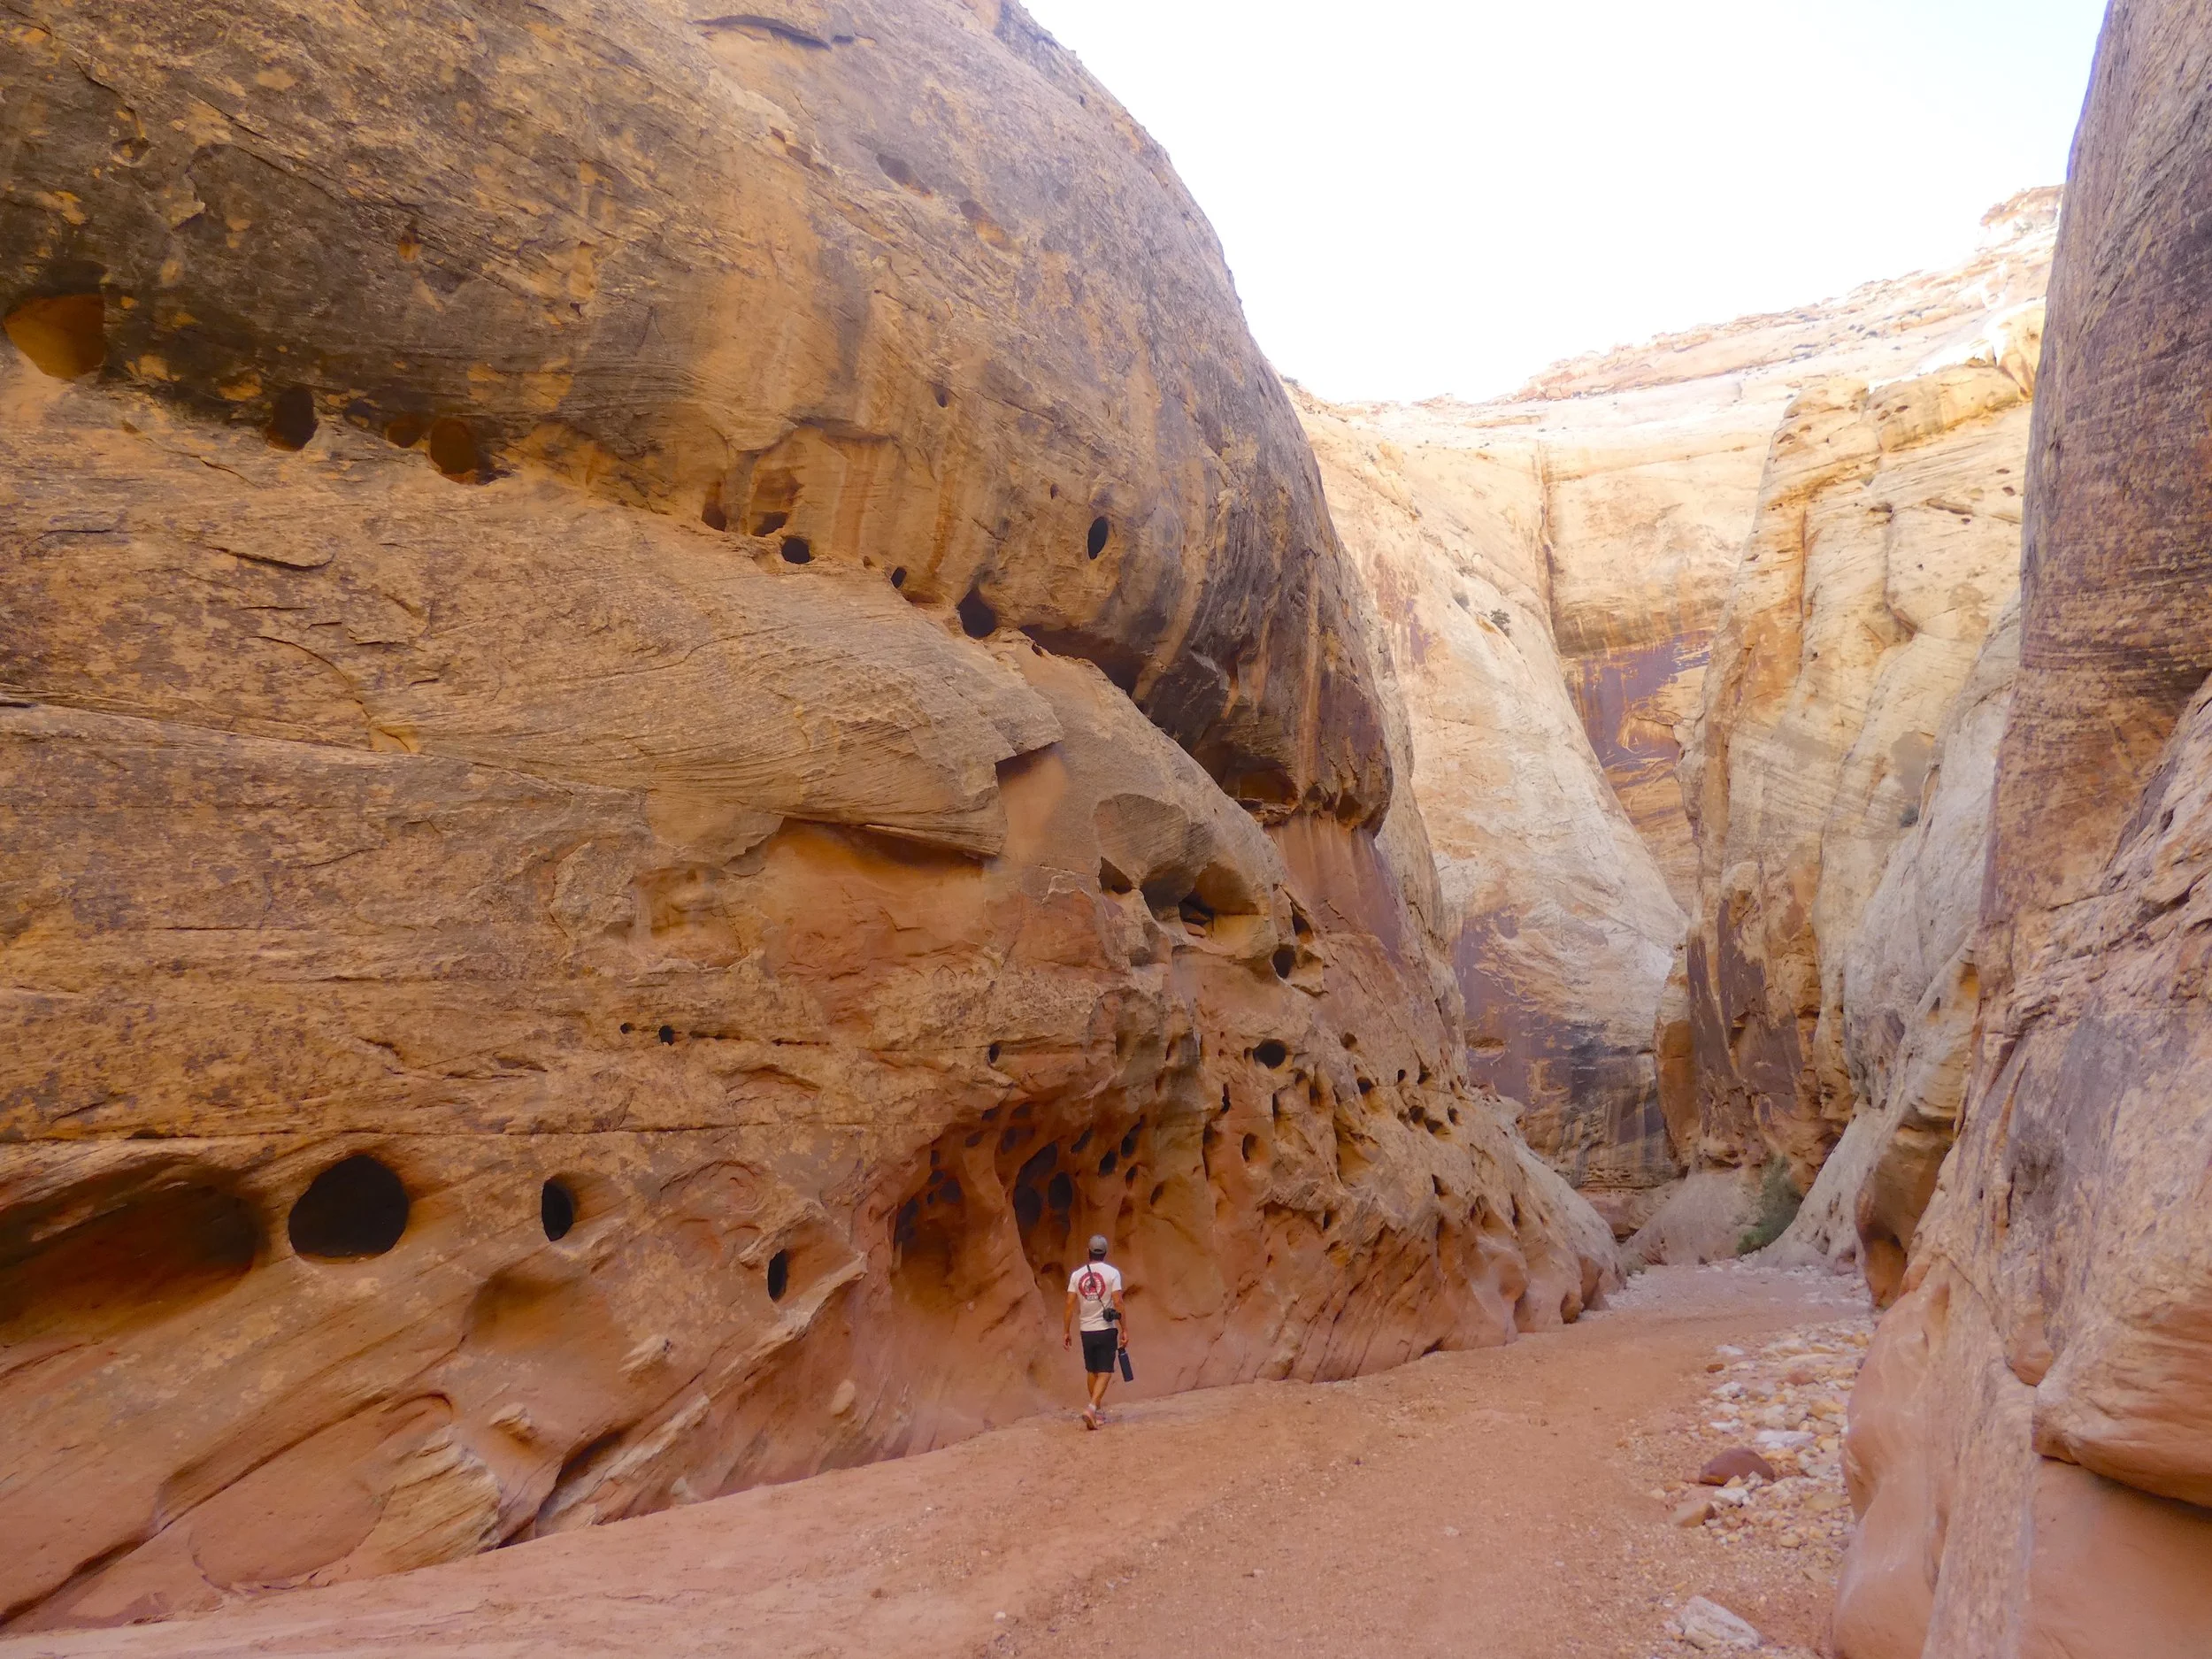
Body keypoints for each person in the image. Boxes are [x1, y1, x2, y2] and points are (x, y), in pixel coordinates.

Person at [1062, 1233, 1126, 1429]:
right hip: (1106, 1329)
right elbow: (1118, 1302)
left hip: (1086, 1329)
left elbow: (1069, 1304)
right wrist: (1125, 1329)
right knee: (1105, 1371)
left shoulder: (1077, 1275)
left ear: (1088, 1252)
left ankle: (1097, 1412)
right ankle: (1091, 1407)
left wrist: (1066, 1331)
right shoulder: (1113, 1273)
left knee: (1092, 1370)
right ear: (1105, 1253)